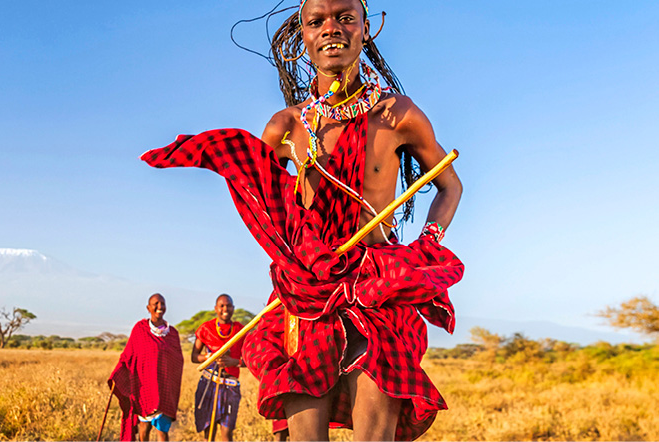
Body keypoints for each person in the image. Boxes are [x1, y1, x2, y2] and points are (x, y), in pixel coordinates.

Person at [141, 0, 464, 439]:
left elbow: (450, 186)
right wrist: (290, 251)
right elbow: (262, 193)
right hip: (309, 292)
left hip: (378, 286)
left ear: (368, 28)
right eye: (318, 21)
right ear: (303, 37)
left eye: (346, 17)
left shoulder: (399, 115)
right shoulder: (287, 128)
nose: (332, 28)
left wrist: (428, 242)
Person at [108, 293, 184, 442]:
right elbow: (128, 355)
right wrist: (118, 374)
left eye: (162, 303)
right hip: (145, 388)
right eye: (155, 304)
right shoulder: (140, 329)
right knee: (144, 431)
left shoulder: (172, 333)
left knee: (162, 432)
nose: (159, 307)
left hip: (165, 390)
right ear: (148, 308)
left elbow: (178, 361)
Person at [191, 294, 245, 441]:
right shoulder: (206, 329)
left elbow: (249, 359)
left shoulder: (241, 331)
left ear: (233, 308)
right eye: (221, 306)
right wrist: (209, 358)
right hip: (209, 384)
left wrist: (234, 362)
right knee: (209, 432)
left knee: (227, 434)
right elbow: (194, 357)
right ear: (216, 309)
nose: (225, 309)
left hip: (230, 387)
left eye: (228, 306)